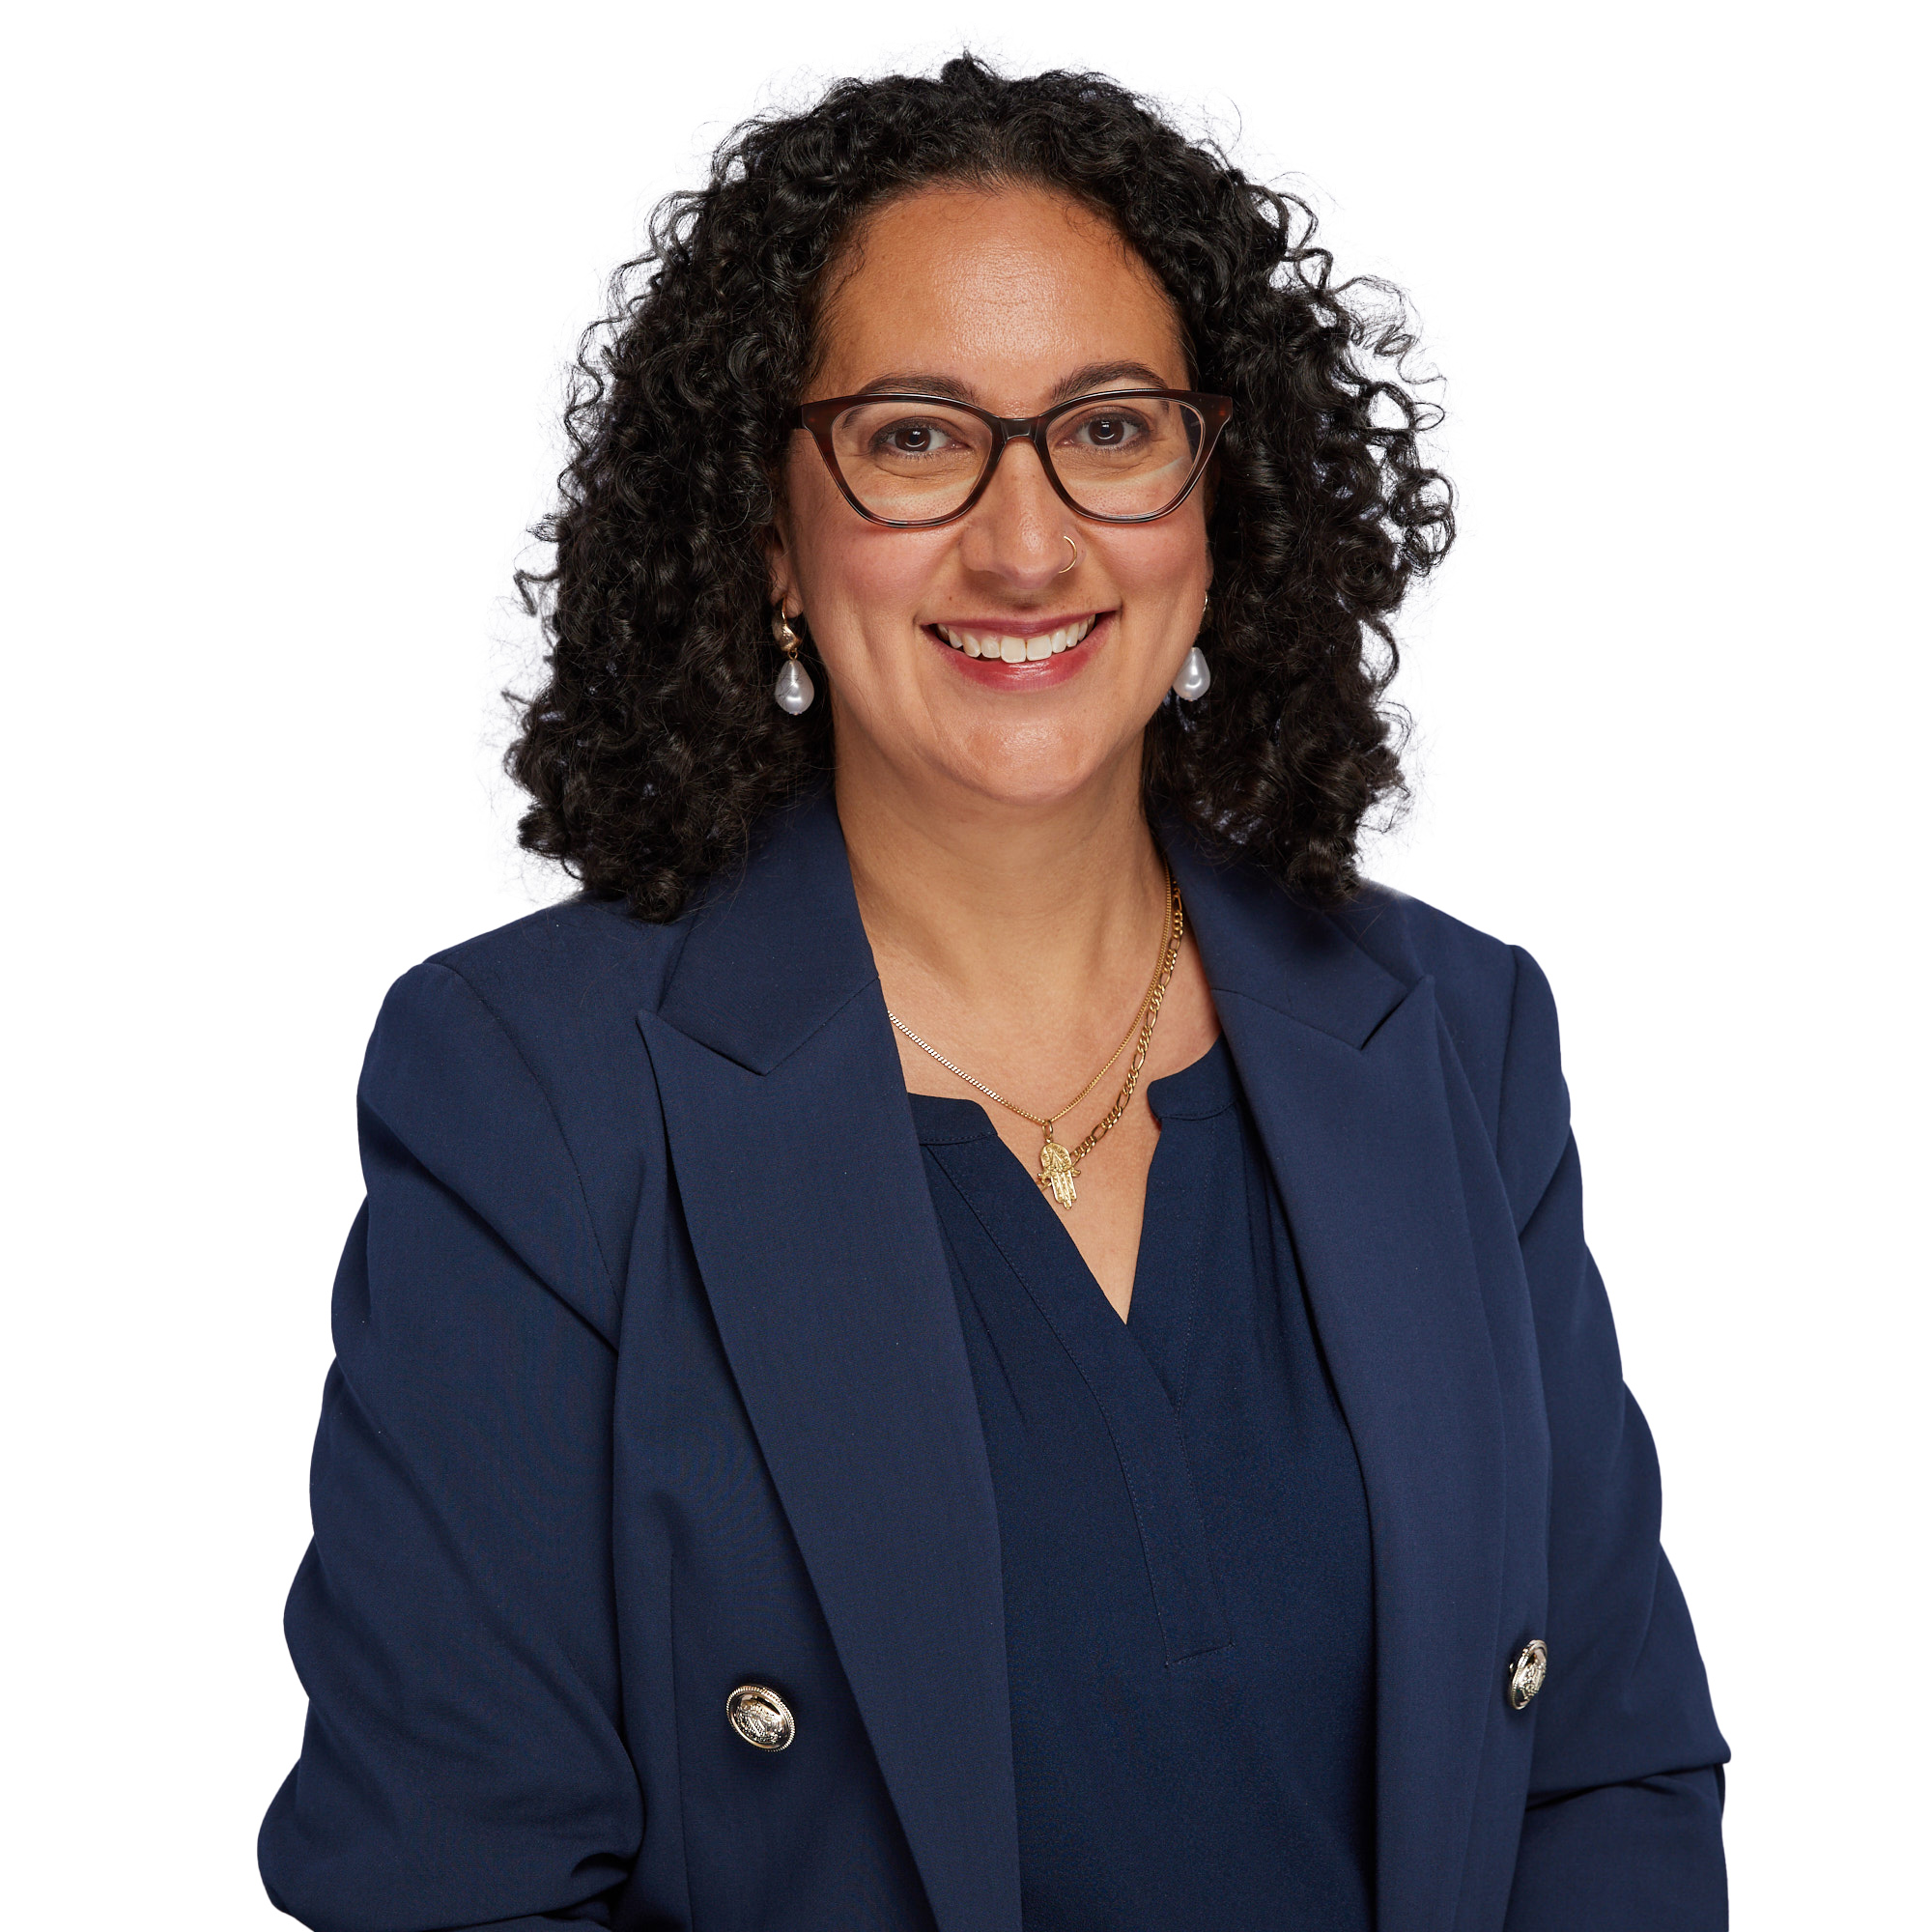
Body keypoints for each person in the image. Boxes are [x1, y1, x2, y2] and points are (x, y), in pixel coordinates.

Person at [259, 55, 1727, 1932]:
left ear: (1221, 498)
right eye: (914, 434)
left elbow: (1598, 1763)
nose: (1027, 542)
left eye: (1110, 430)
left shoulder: (1452, 1032)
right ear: (770, 536)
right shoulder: (530, 1086)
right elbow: (445, 1880)